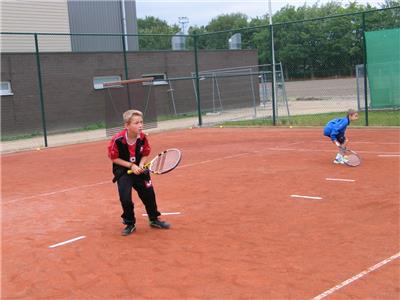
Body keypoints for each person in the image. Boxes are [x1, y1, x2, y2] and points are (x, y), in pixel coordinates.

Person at [108, 109, 170, 236]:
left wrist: (141, 165)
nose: (140, 125)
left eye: (141, 122)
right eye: (136, 123)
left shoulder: (142, 137)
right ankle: (130, 223)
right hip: (123, 171)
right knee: (125, 198)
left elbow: (145, 153)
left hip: (139, 169)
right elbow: (114, 158)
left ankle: (154, 219)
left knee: (149, 195)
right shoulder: (117, 140)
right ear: (127, 125)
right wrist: (131, 165)